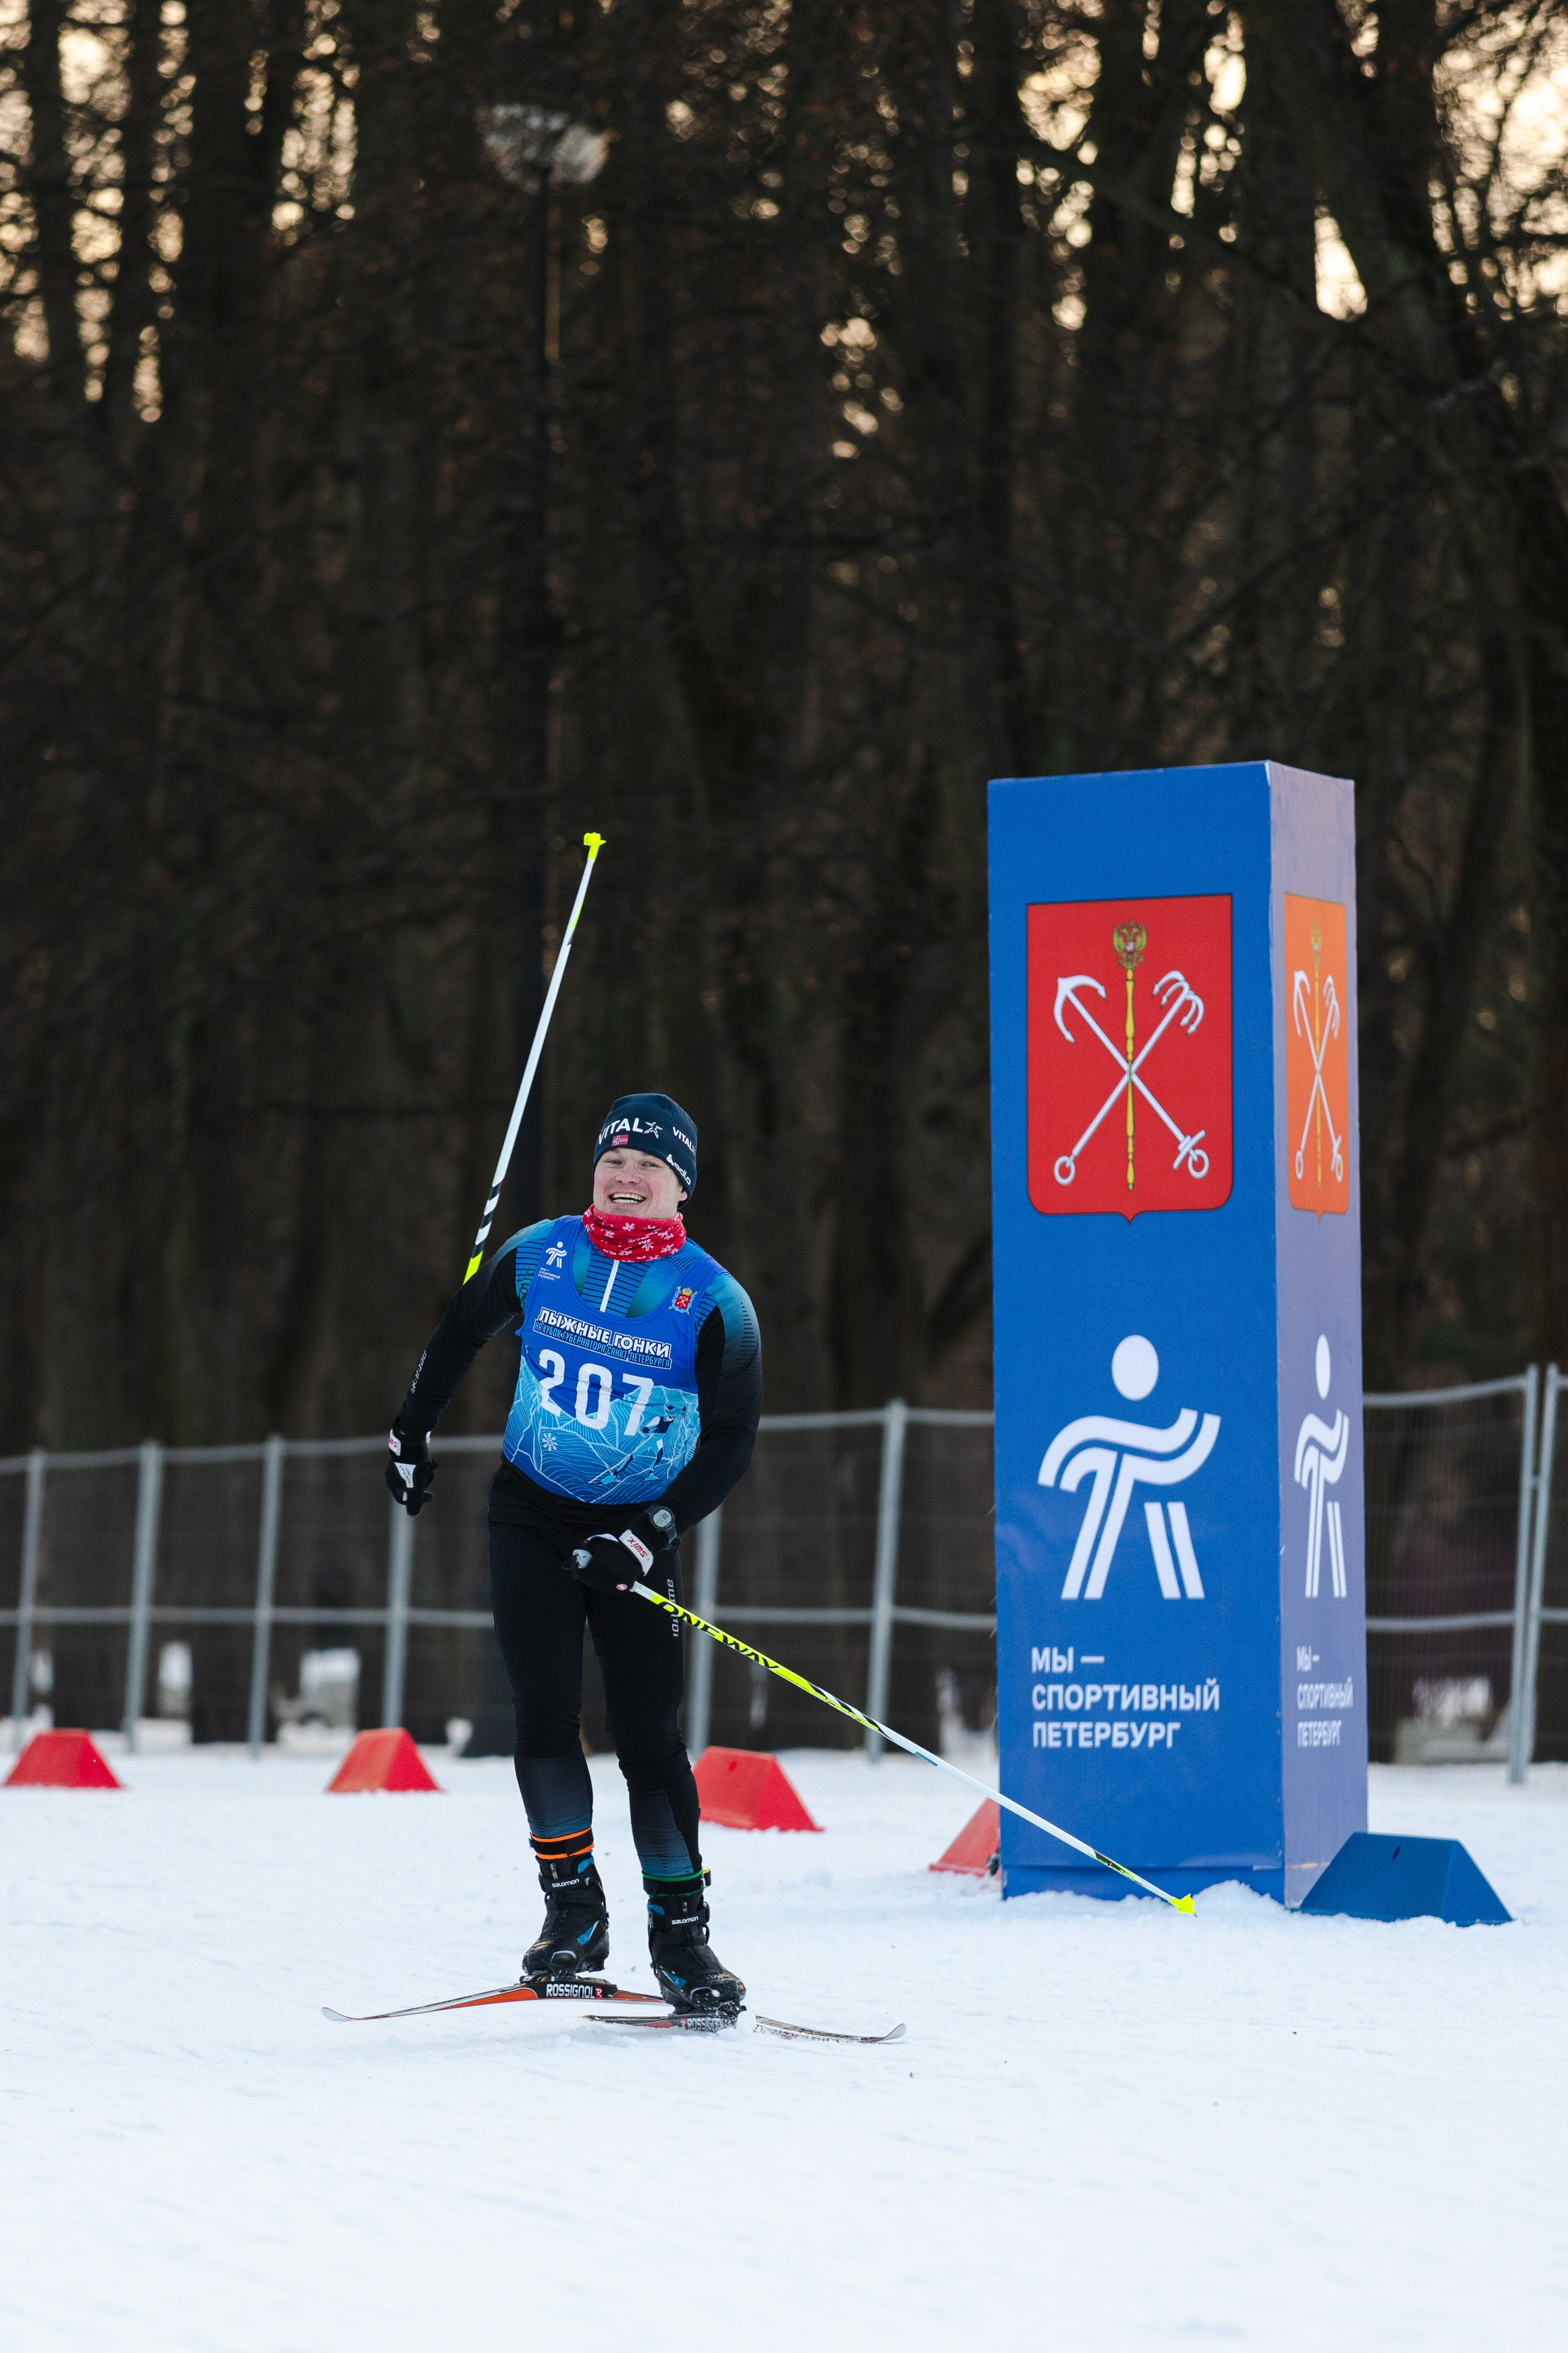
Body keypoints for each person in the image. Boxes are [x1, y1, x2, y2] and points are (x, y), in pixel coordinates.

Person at [385, 1093, 761, 2017]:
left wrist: (647, 1536)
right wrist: (409, 1432)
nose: (627, 1176)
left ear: (682, 1189)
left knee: (647, 1736)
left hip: (634, 1532)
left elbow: (731, 1443)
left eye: (650, 1166)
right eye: (615, 1159)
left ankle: (683, 1939)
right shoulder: (541, 1251)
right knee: (543, 1715)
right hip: (530, 1514)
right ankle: (573, 1916)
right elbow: (459, 1332)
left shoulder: (714, 1299)